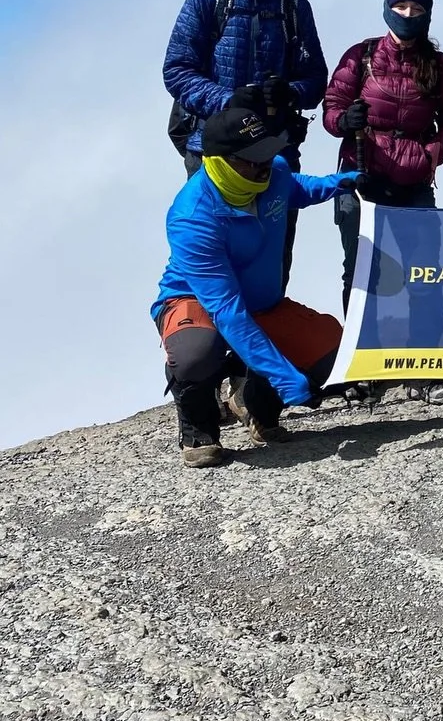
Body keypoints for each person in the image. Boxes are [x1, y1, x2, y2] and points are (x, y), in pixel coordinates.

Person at [151, 107, 359, 468]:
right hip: (197, 302)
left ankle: (257, 406)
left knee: (332, 354)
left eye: (267, 151)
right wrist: (283, 375)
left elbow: (298, 187)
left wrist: (342, 182)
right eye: (255, 158)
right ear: (222, 162)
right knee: (195, 355)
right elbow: (228, 313)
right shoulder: (193, 217)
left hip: (263, 303)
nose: (267, 163)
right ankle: (199, 427)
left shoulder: (272, 171)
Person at [162, 0, 328, 285]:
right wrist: (229, 101)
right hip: (214, 150)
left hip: (274, 152)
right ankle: (203, 338)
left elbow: (316, 81)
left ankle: (260, 337)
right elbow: (177, 70)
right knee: (210, 250)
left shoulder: (294, 9)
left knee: (272, 254)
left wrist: (290, 92)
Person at [323, 0, 443, 311]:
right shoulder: (361, 56)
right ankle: (360, 351)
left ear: (426, 14)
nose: (407, 13)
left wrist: (433, 153)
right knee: (361, 270)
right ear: (387, 11)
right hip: (361, 176)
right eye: (400, 7)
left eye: (416, 9)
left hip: (413, 181)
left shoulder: (439, 65)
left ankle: (425, 348)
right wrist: (346, 121)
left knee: (424, 272)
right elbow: (332, 108)